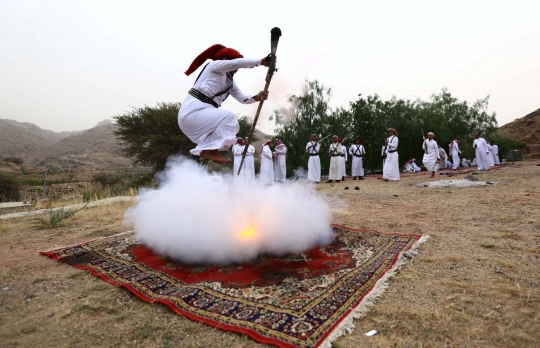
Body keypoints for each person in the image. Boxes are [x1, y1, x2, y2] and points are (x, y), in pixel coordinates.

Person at [178, 44, 270, 164]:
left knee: (233, 126)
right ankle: (208, 150)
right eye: (235, 63)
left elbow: (242, 98)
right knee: (228, 118)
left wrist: (257, 97)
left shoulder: (230, 81)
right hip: (192, 112)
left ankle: (208, 149)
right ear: (225, 60)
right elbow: (235, 64)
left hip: (200, 121)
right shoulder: (213, 66)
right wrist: (261, 61)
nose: (237, 69)